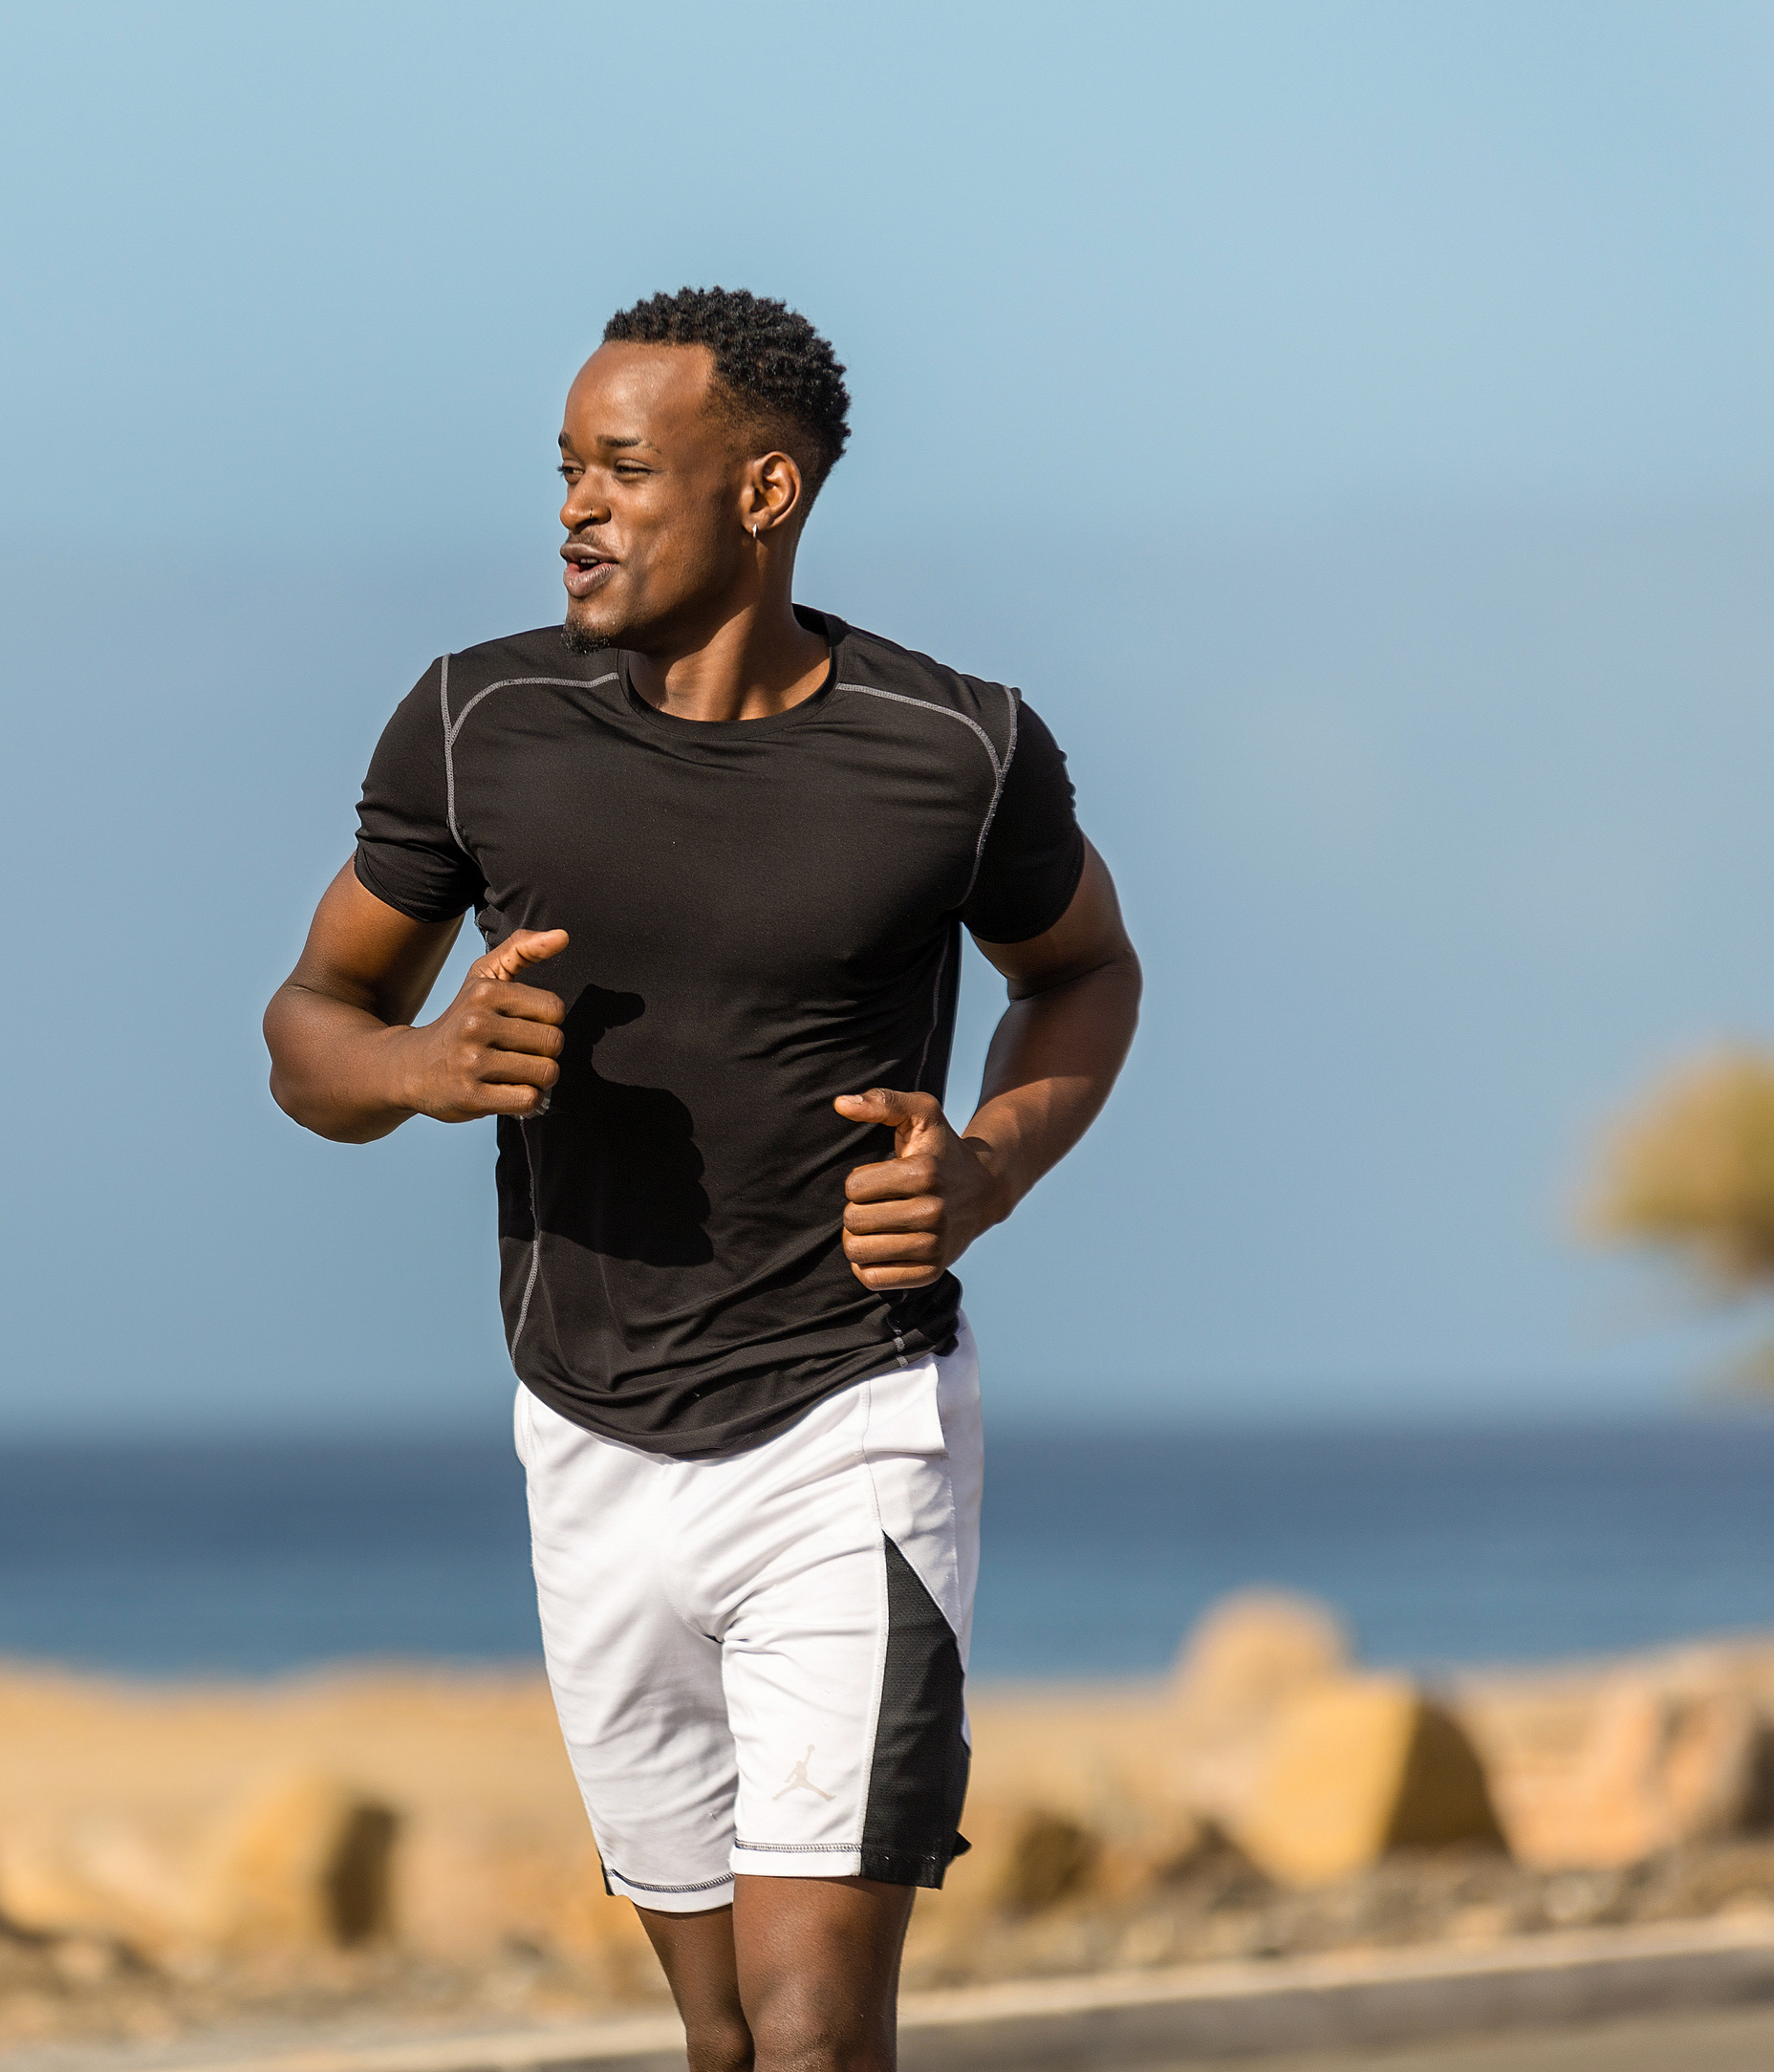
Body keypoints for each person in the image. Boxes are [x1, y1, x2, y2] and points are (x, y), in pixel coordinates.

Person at [260, 289, 1140, 2072]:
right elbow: (307, 1030)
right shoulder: (474, 722)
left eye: (624, 469)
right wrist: (426, 1071)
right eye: (567, 470)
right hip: (584, 1430)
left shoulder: (955, 750)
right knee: (726, 2039)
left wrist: (987, 1169)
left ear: (765, 492)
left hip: (852, 1420)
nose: (578, 506)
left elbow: (1083, 971)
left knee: (819, 2031)